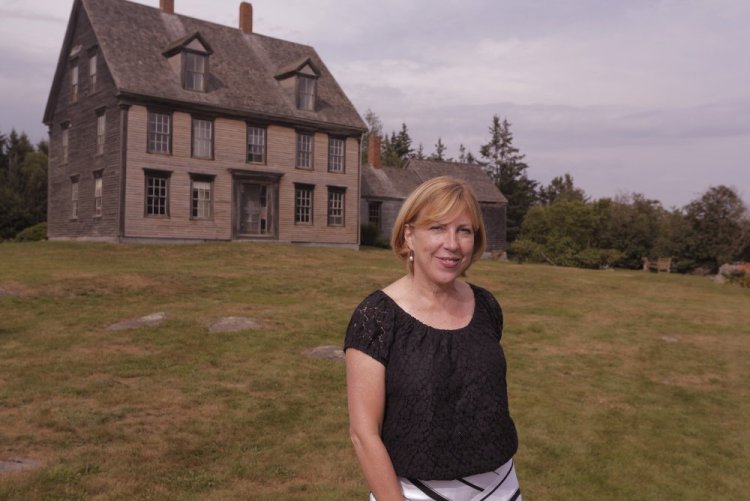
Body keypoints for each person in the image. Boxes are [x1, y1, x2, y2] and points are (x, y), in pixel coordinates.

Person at [344, 176, 520, 501]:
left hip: (501, 486)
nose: (452, 244)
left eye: (463, 230)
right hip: (415, 492)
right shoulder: (377, 318)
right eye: (437, 228)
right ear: (409, 235)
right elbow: (364, 435)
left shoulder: (486, 306)